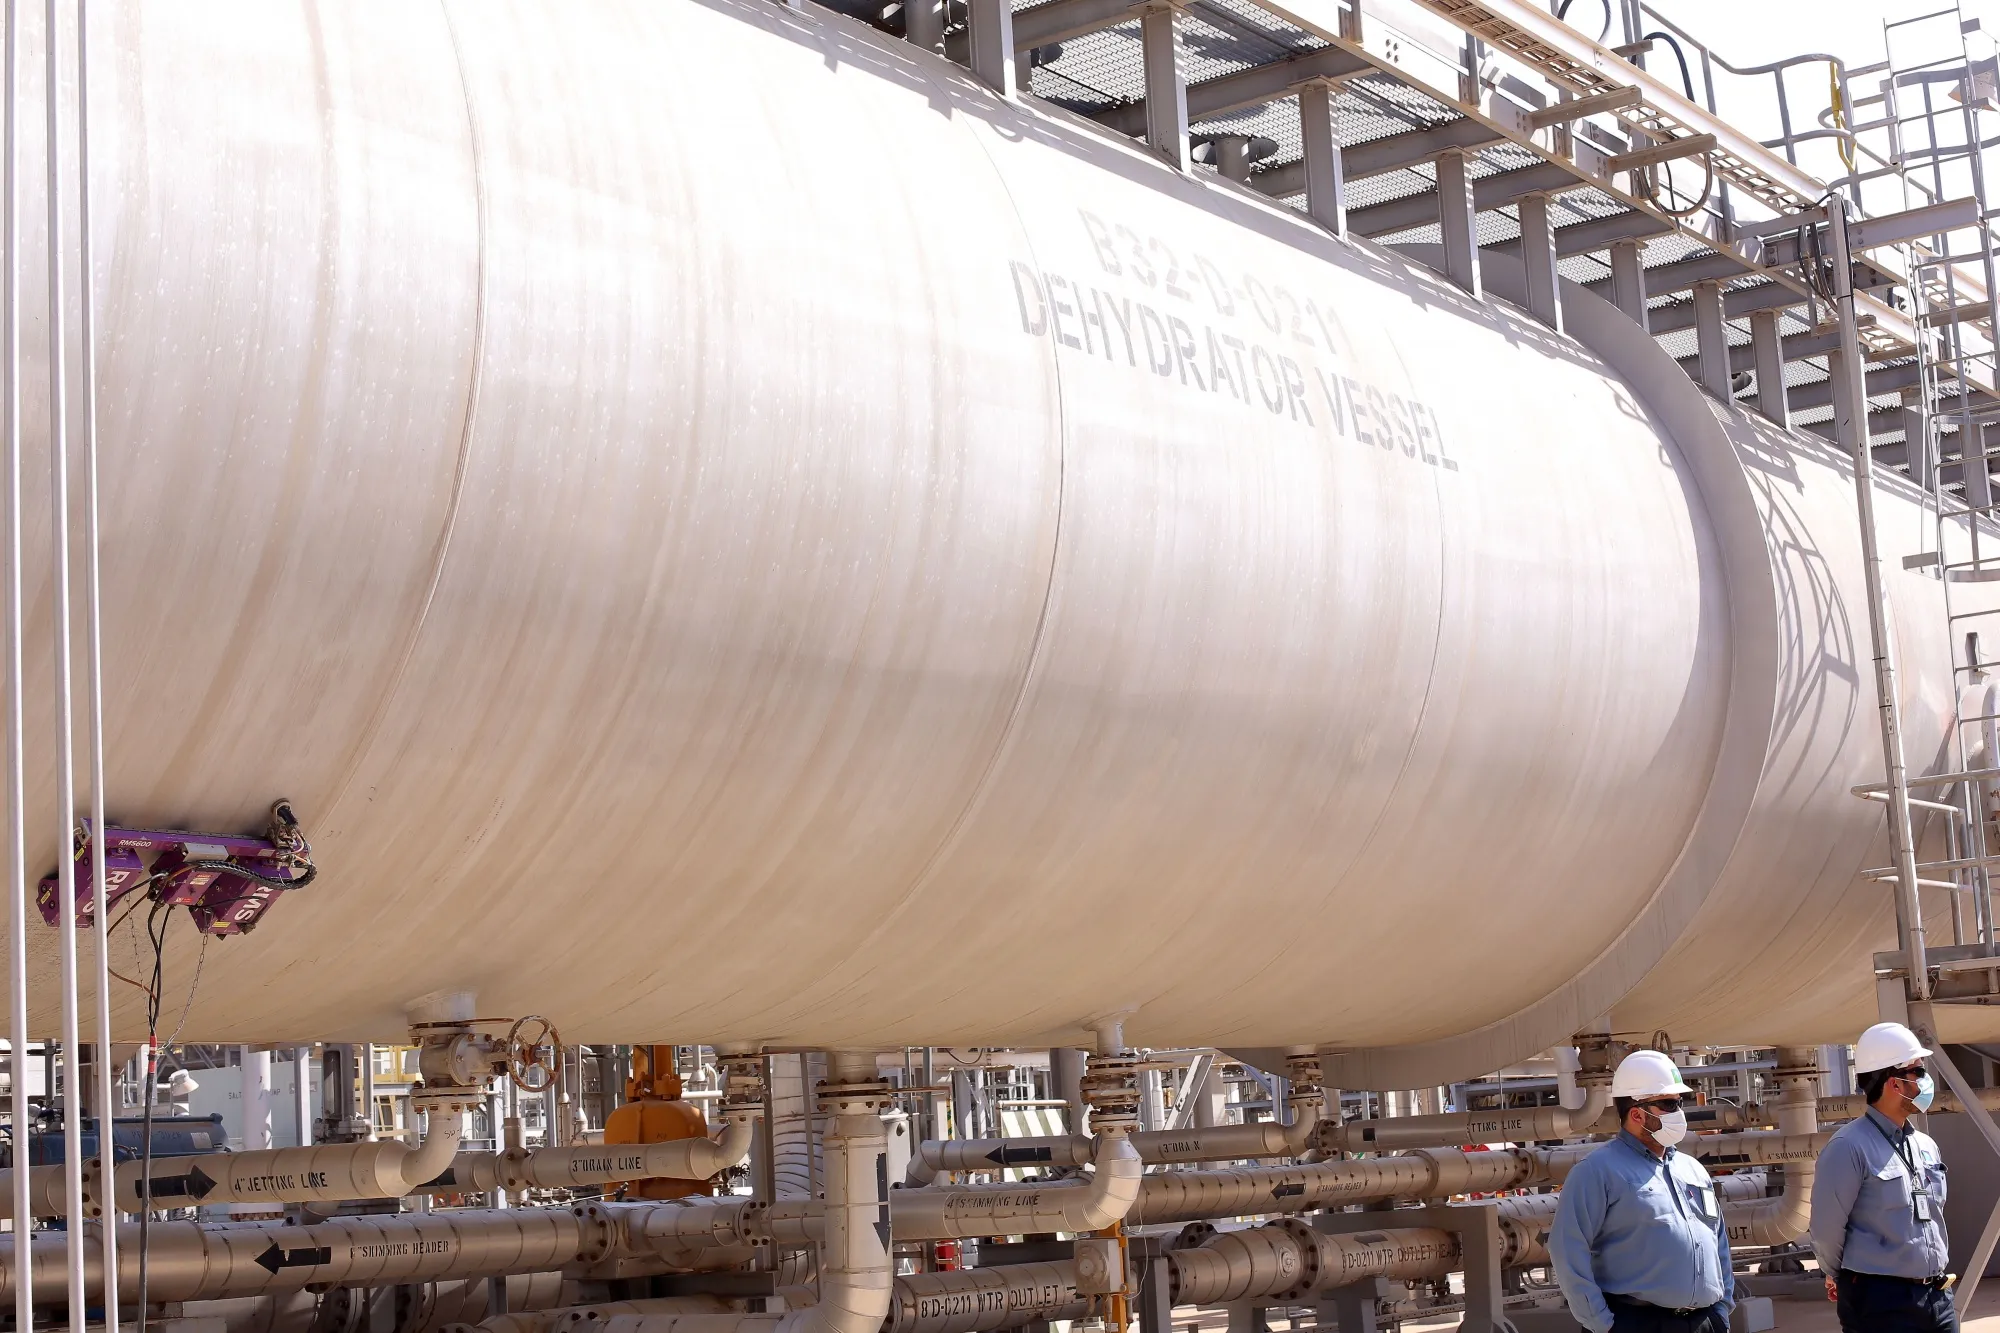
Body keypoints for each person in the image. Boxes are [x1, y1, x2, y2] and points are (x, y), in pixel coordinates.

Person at [1550, 1049, 1733, 1333]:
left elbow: (1718, 1239)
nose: (1679, 1112)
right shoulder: (1597, 1171)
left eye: (1679, 1102)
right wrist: (1602, 1324)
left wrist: (1722, 1309)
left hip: (1704, 1322)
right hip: (1636, 1322)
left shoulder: (1692, 1169)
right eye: (1668, 1104)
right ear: (1636, 1113)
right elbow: (1567, 1250)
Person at [1809, 1022, 1953, 1333]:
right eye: (1918, 1071)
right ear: (1894, 1083)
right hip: (1880, 1302)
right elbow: (1825, 1228)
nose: (1925, 1081)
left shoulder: (1924, 1144)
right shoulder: (1847, 1147)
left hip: (1937, 1295)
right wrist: (1840, 1275)